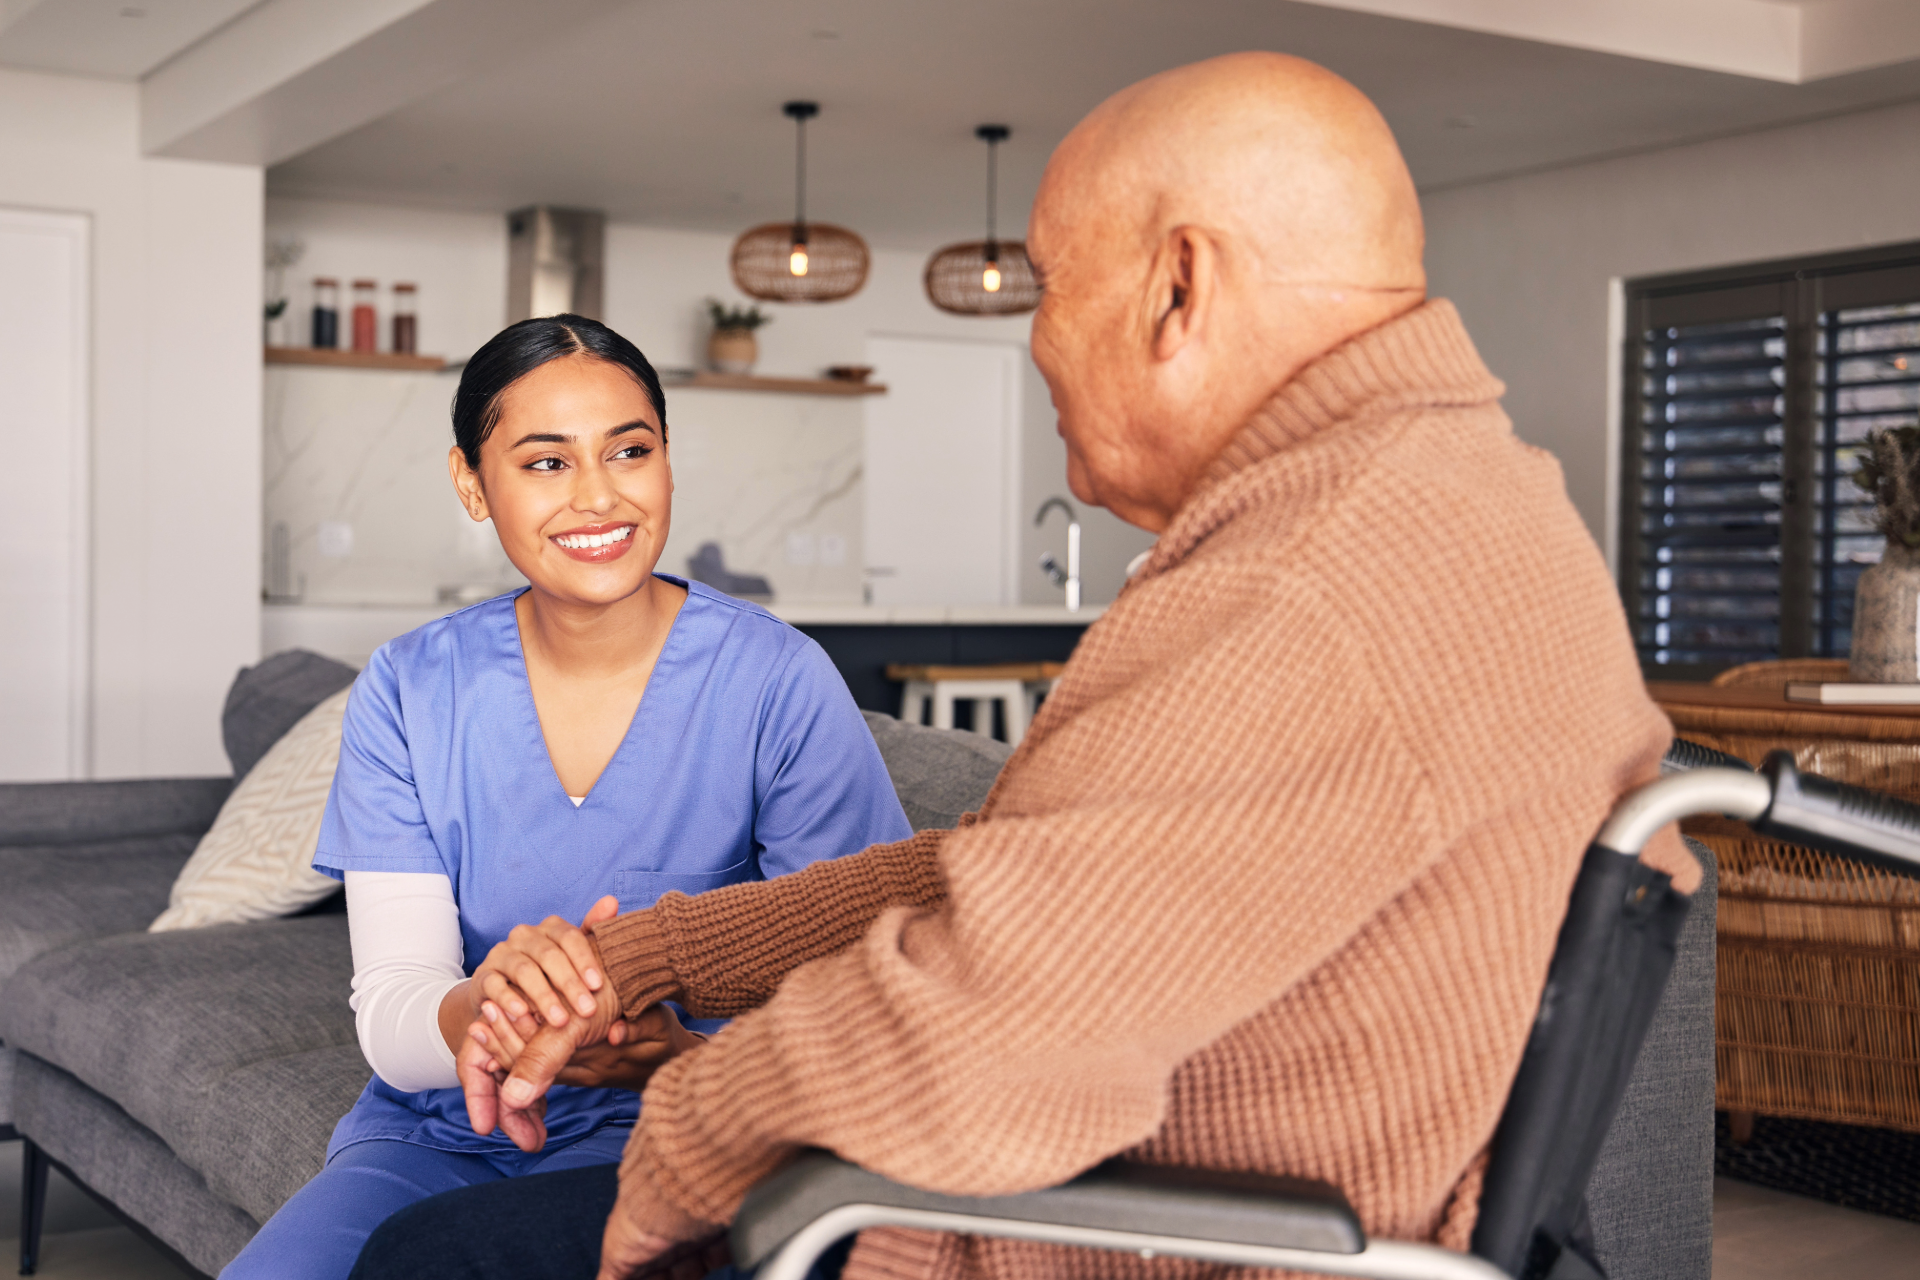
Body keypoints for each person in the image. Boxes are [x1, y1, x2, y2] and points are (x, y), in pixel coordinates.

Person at [352, 51, 1699, 1280]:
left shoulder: (1307, 591)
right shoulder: (1465, 499)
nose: (1037, 341)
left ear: (1180, 287)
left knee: (430, 1264)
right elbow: (998, 877)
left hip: (1095, 1237)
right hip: (1151, 1188)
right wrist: (657, 951)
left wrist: (685, 1139)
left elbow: (969, 1035)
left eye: (1053, 288)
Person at [219, 315, 912, 1279]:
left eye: (631, 450)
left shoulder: (776, 681)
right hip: (436, 1136)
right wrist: (492, 1009)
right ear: (472, 483)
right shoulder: (410, 688)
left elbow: (867, 987)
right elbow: (392, 1010)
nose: (599, 496)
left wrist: (670, 1053)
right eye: (546, 463)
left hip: (693, 1133)